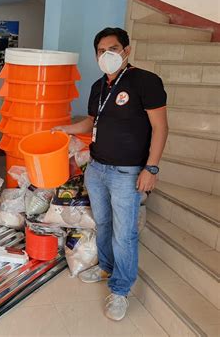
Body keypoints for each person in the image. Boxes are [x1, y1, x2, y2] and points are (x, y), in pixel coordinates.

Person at [52, 27, 168, 321]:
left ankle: (120, 290)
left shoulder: (146, 82)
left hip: (127, 173)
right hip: (98, 168)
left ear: (126, 51)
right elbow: (91, 123)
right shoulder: (97, 87)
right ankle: (106, 266)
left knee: (124, 233)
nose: (107, 55)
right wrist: (65, 128)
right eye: (101, 51)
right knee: (103, 223)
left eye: (113, 49)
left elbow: (161, 128)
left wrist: (151, 168)